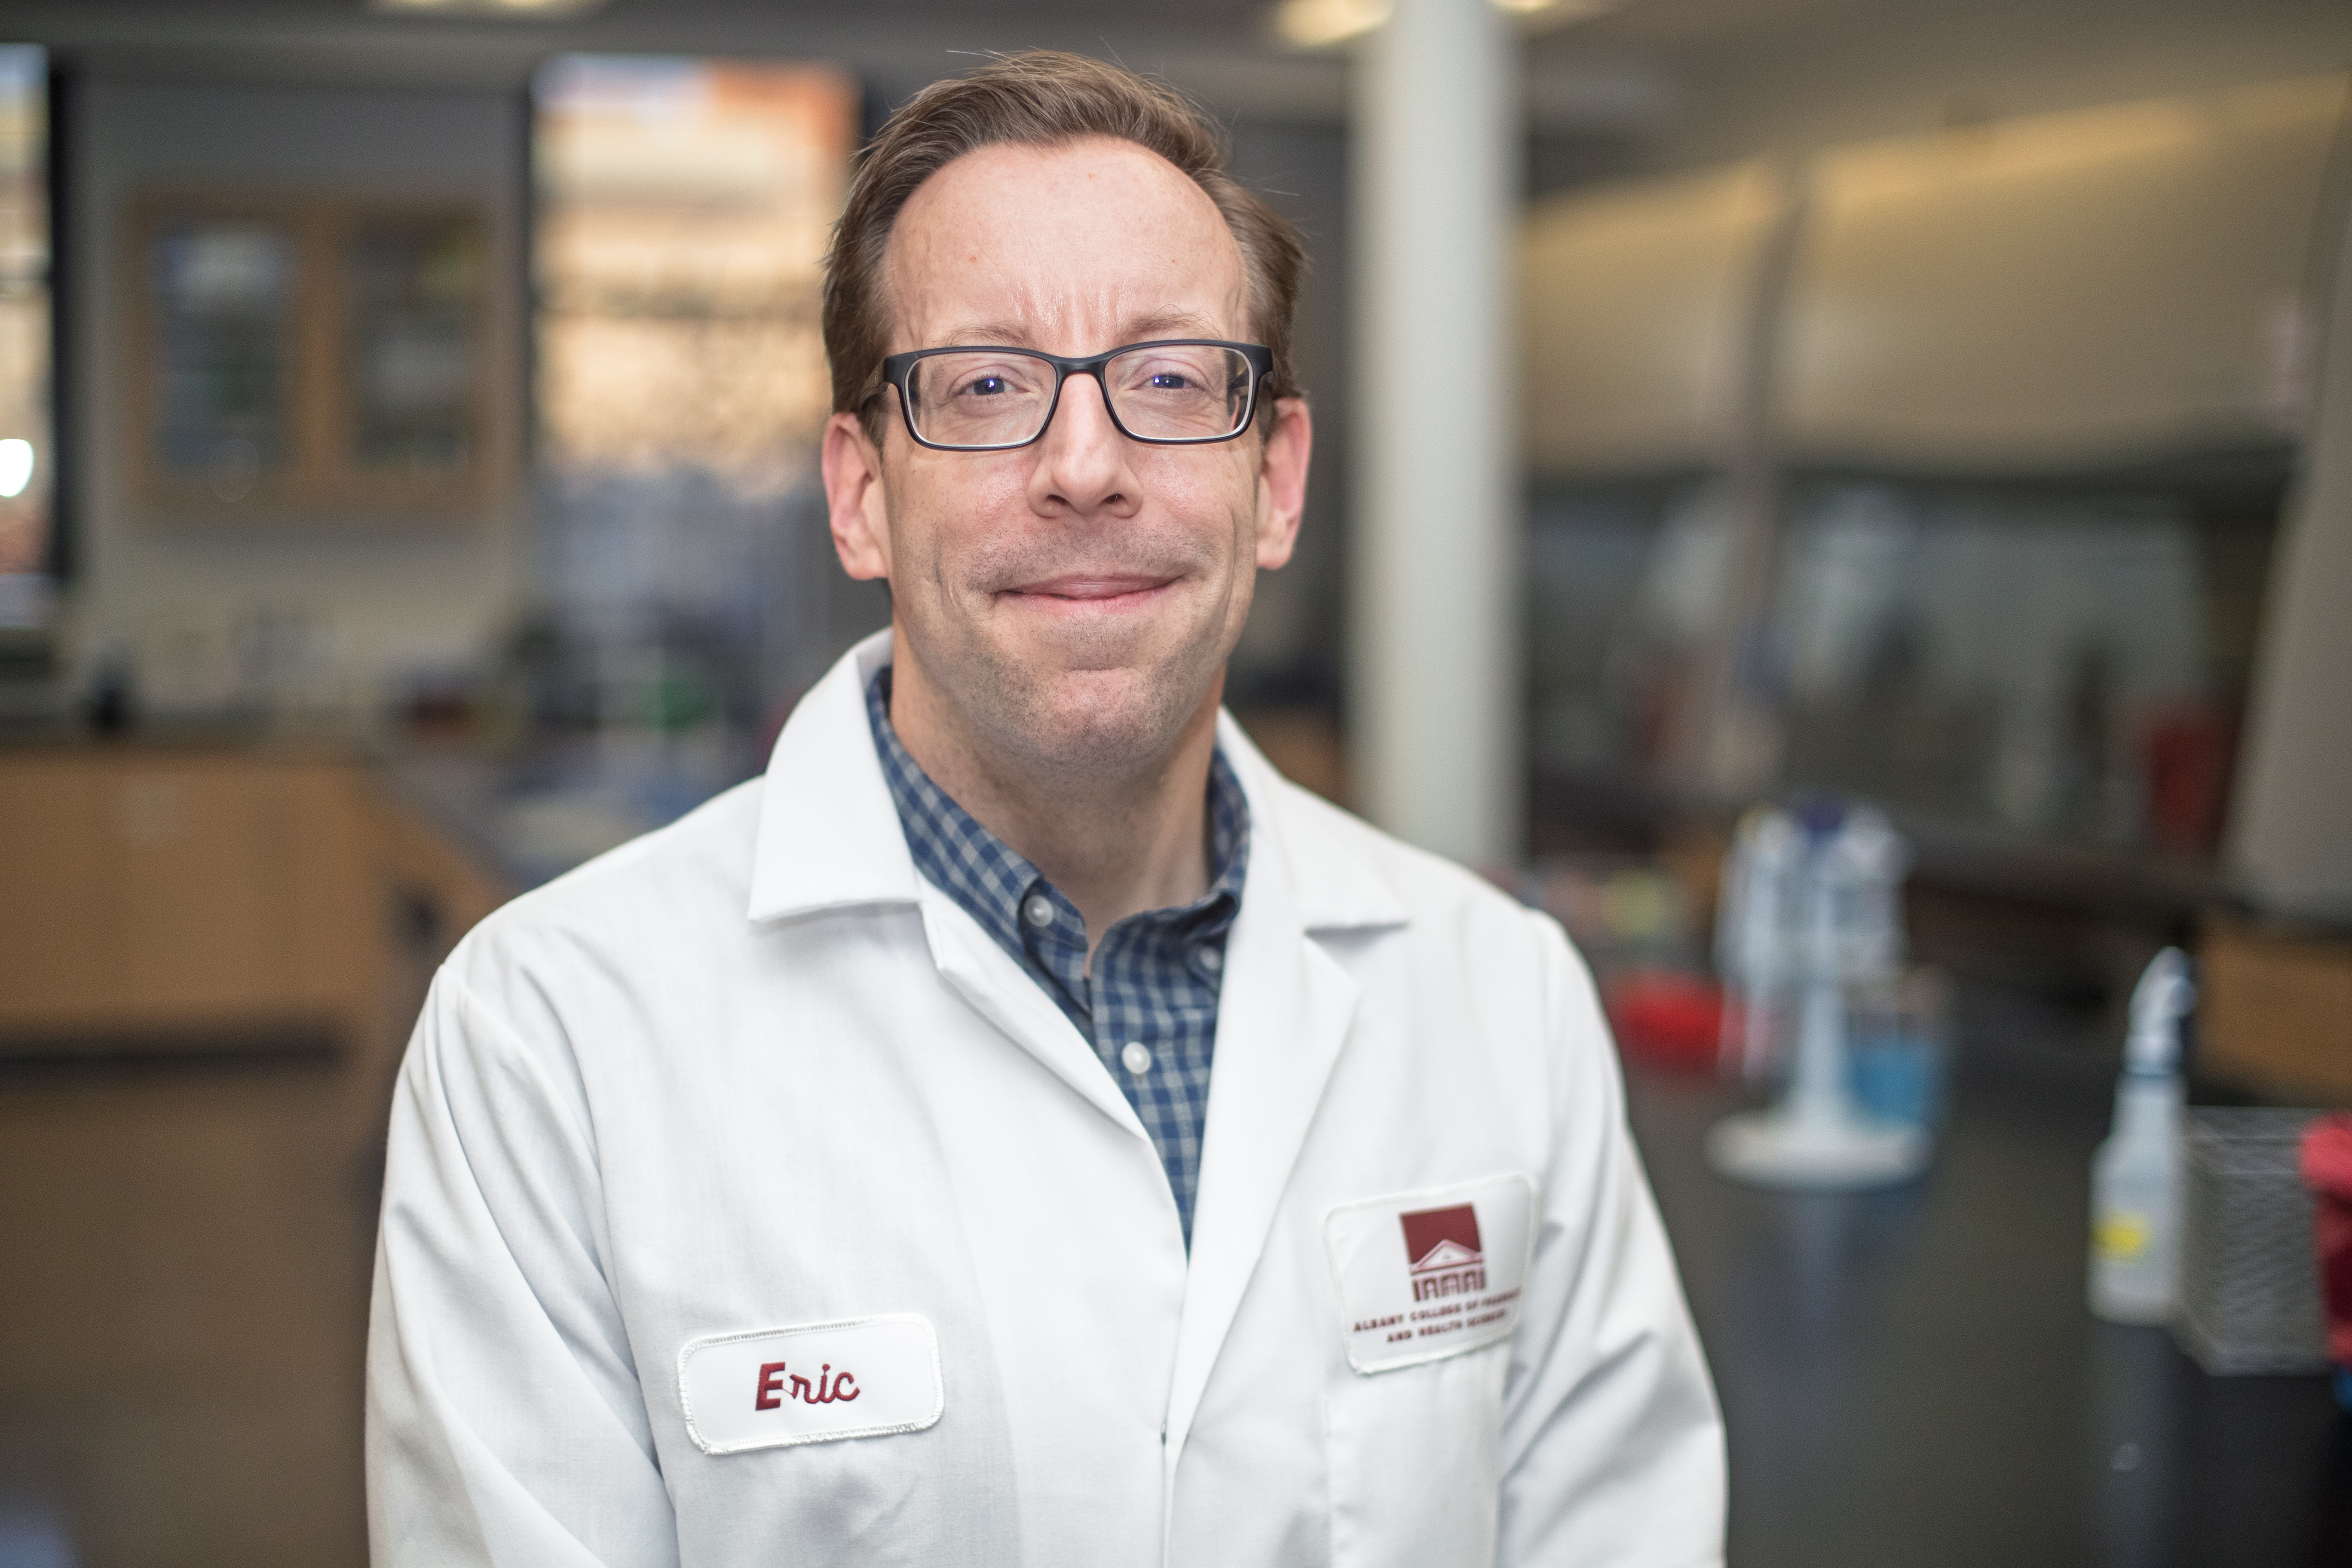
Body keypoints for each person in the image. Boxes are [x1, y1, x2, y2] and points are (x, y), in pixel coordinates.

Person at [367, 49, 1724, 1568]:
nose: (1085, 468)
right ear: (862, 493)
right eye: (988, 385)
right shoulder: (550, 1040)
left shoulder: (1499, 997)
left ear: (1274, 479)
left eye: (1168, 380)